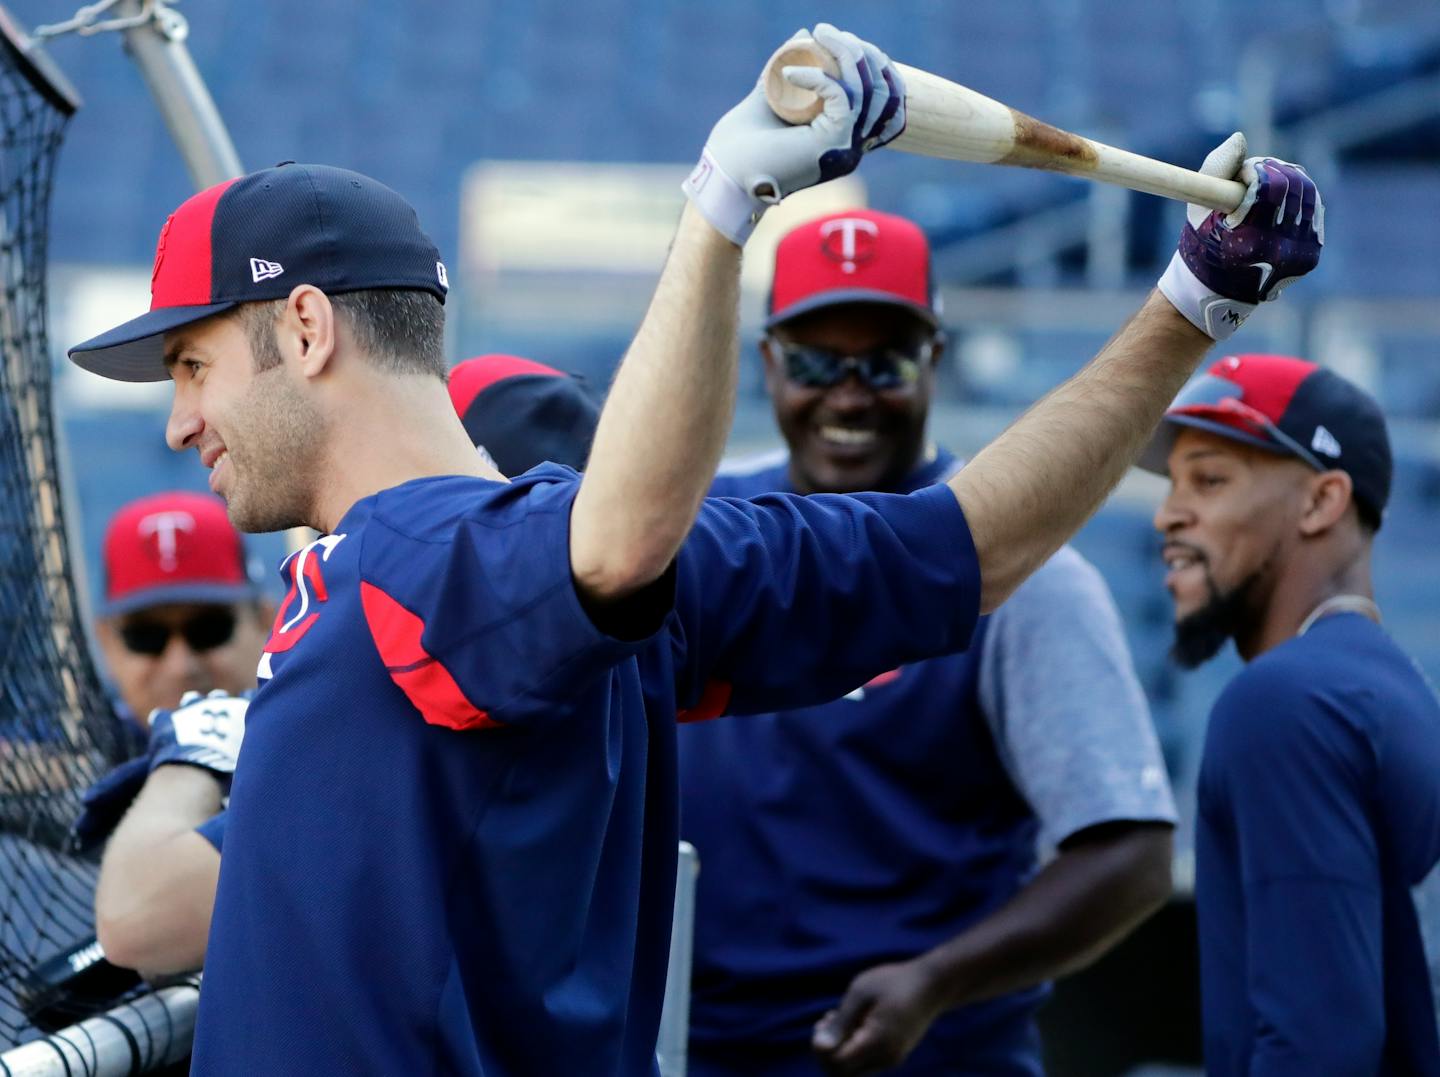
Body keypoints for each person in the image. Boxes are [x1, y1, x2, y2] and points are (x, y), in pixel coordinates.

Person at [65, 23, 1323, 1073]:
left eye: (193, 363)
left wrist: (725, 207)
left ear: (304, 326)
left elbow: (611, 543)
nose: (179, 417)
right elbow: (972, 545)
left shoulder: (424, 551)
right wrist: (1190, 306)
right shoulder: (506, 567)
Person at [681, 207, 1177, 1077]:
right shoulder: (706, 528)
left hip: (928, 1054)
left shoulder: (1018, 570)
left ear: (934, 362)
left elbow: (1131, 854)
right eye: (814, 362)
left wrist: (938, 981)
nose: (849, 392)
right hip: (698, 1048)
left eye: (885, 361)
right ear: (765, 362)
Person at [86, 354, 602, 978]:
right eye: (145, 636)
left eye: (208, 628)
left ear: (260, 618)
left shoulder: (369, 699)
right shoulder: (639, 652)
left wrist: (194, 753)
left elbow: (143, 920)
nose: (181, 661)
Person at [1142, 353, 1440, 1075]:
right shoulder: (1392, 686)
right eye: (1174, 483)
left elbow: (1319, 1045)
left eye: (1209, 480)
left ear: (1320, 501)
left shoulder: (1286, 702)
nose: (1167, 513)